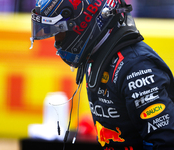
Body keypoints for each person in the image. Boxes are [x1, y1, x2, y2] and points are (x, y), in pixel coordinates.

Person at [30, 0, 174, 149]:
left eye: (58, 32)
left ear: (80, 23)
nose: (56, 43)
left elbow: (166, 142)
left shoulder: (136, 67)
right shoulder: (97, 56)